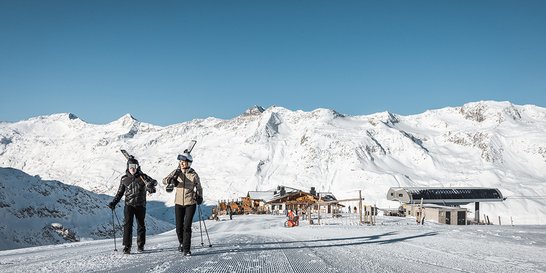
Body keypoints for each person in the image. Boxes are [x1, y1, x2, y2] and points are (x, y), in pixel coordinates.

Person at [108, 157, 157, 254]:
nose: (133, 168)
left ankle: (141, 245)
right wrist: (114, 202)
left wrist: (151, 186)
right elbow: (120, 193)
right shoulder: (124, 179)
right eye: (131, 166)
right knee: (127, 225)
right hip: (129, 205)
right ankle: (127, 246)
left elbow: (153, 184)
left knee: (141, 225)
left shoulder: (143, 177)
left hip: (140, 205)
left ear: (138, 167)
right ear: (127, 167)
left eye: (135, 166)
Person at [163, 152, 203, 256]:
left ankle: (186, 249)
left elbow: (199, 187)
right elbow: (164, 180)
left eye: (184, 162)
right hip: (178, 203)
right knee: (178, 227)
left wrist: (199, 196)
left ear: (189, 163)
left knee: (187, 226)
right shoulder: (176, 172)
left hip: (190, 203)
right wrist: (171, 180)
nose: (181, 163)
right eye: (180, 161)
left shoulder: (193, 174)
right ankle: (181, 243)